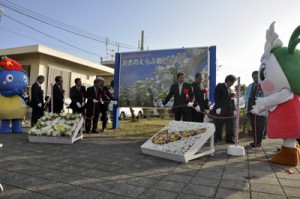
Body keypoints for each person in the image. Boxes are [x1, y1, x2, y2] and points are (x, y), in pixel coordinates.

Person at [244, 71, 266, 147]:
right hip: (251, 109)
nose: (255, 79)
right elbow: (246, 97)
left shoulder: (264, 85)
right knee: (254, 127)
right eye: (253, 77)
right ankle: (255, 141)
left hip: (260, 110)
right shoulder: (251, 85)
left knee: (259, 127)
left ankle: (258, 142)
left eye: (256, 77)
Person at [213, 74, 237, 143]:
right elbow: (216, 96)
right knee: (219, 125)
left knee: (230, 125)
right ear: (228, 81)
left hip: (229, 111)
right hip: (221, 110)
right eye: (232, 82)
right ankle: (217, 138)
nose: (233, 84)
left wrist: (234, 109)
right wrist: (218, 107)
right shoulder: (220, 86)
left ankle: (229, 138)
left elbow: (231, 100)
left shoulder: (230, 89)